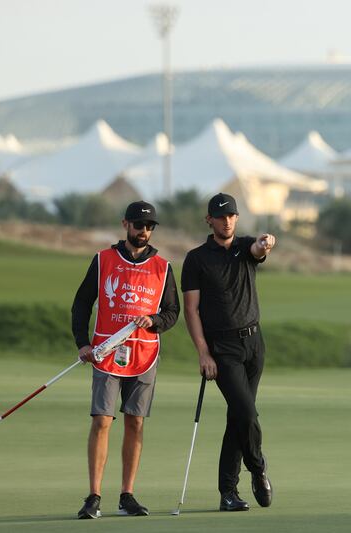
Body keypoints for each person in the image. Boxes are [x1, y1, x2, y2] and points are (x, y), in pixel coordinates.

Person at [71, 201, 180, 519]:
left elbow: (172, 313)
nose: (143, 231)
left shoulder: (163, 266)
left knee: (135, 422)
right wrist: (82, 343)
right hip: (106, 353)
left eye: (148, 226)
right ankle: (93, 496)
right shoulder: (104, 260)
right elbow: (81, 305)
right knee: (102, 421)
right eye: (138, 225)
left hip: (145, 355)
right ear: (125, 225)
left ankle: (127, 495)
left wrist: (155, 322)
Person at [181, 192, 276, 512]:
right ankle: (258, 467)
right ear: (209, 220)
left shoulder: (244, 246)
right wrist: (203, 354)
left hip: (254, 344)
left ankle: (228, 493)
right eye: (220, 217)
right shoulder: (196, 258)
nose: (227, 221)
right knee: (247, 413)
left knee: (238, 416)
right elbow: (191, 311)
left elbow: (257, 249)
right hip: (223, 349)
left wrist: (264, 244)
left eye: (231, 216)